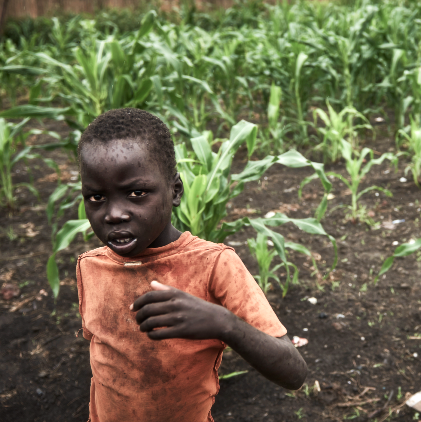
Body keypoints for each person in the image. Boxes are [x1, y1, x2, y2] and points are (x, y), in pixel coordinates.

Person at [75, 108, 307, 422]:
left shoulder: (213, 265)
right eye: (96, 197)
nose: (114, 213)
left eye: (137, 193)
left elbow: (293, 372)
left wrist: (225, 324)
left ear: (175, 191)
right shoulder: (91, 267)